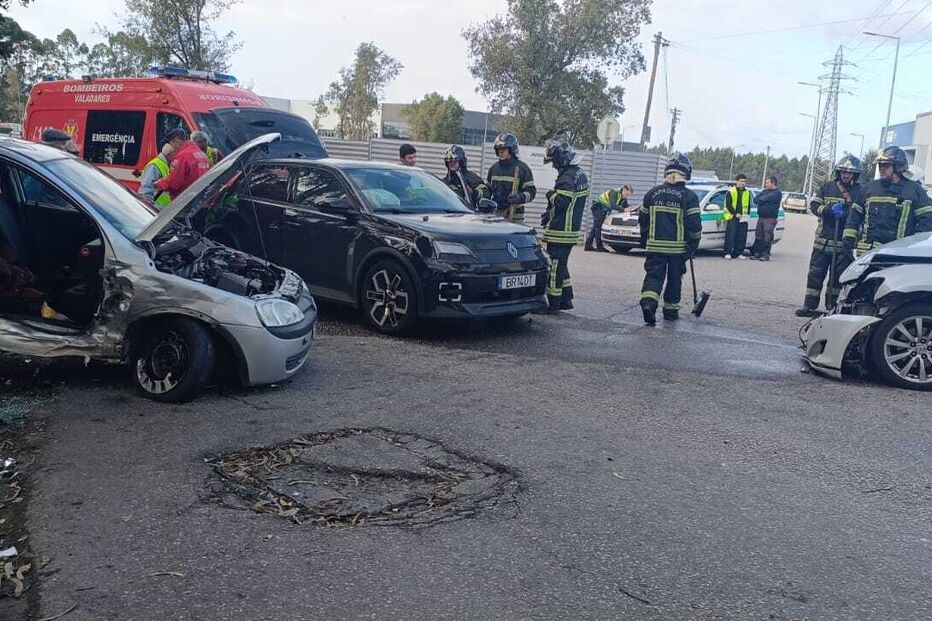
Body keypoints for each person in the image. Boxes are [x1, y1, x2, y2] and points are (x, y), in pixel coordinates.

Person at [638, 153, 702, 325]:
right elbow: (695, 225)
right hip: (677, 250)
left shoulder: (652, 193)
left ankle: (648, 304)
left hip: (655, 246)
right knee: (674, 279)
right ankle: (670, 311)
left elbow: (643, 220)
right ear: (686, 173)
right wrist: (693, 245)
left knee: (653, 277)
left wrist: (644, 240)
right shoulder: (689, 197)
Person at [795, 155, 862, 317]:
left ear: (855, 174)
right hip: (823, 241)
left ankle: (832, 308)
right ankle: (809, 305)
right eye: (843, 171)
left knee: (837, 279)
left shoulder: (860, 191)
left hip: (842, 244)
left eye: (849, 172)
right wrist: (828, 210)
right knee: (815, 275)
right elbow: (814, 205)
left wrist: (847, 212)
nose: (846, 175)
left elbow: (861, 213)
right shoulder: (828, 186)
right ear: (838, 172)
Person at [844, 146, 932, 257]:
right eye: (880, 165)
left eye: (886, 165)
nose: (881, 169)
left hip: (898, 255)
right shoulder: (869, 189)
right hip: (868, 254)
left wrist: (915, 247)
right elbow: (853, 218)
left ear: (898, 167)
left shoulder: (914, 191)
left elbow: (926, 222)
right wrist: (848, 240)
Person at [540, 140, 588, 312]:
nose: (553, 166)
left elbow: (562, 201)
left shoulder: (566, 177)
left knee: (554, 267)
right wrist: (548, 214)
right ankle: (566, 299)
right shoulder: (578, 173)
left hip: (561, 231)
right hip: (570, 230)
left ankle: (553, 303)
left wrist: (550, 195)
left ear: (561, 159)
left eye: (554, 162)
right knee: (561, 265)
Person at [486, 132, 535, 223]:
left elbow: (531, 192)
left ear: (511, 149)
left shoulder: (522, 168)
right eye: (498, 149)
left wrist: (519, 197)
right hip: (496, 216)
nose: (500, 152)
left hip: (515, 217)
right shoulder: (494, 168)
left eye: (503, 149)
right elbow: (488, 190)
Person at [155, 127, 210, 200]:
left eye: (171, 144)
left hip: (184, 199)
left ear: (176, 142)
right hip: (198, 197)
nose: (172, 148)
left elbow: (174, 183)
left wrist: (157, 184)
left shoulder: (183, 156)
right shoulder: (201, 154)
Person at [586, 185, 633, 251]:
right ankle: (599, 247)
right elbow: (613, 205)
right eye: (627, 194)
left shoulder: (623, 196)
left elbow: (625, 205)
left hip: (603, 209)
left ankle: (588, 245)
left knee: (596, 226)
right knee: (598, 227)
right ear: (624, 190)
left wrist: (631, 208)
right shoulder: (613, 192)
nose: (627, 196)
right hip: (598, 206)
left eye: (629, 195)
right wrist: (624, 209)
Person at [441, 145, 487, 209]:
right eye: (449, 161)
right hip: (448, 212)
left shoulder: (473, 178)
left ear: (461, 161)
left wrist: (473, 192)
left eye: (455, 161)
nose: (452, 163)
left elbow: (485, 194)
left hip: (468, 212)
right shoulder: (444, 182)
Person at [750, 176, 782, 261]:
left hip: (770, 218)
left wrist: (762, 200)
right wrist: (764, 201)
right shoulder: (764, 192)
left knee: (767, 237)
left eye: (767, 182)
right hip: (761, 217)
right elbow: (756, 200)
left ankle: (765, 254)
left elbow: (766, 199)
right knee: (758, 236)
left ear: (773, 183)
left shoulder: (777, 193)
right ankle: (757, 253)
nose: (766, 184)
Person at [723, 174, 751, 259]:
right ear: (737, 182)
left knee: (741, 236)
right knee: (731, 236)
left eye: (744, 181)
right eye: (741, 181)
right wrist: (735, 214)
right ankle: (728, 252)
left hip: (743, 217)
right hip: (733, 217)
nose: (743, 183)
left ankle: (738, 253)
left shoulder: (747, 192)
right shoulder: (731, 191)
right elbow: (728, 205)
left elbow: (748, 205)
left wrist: (746, 215)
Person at [138, 142, 174, 208]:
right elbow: (146, 190)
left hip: (162, 209)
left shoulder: (165, 165)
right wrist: (149, 208)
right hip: (155, 208)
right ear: (169, 155)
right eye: (174, 155)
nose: (175, 157)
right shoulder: (154, 166)